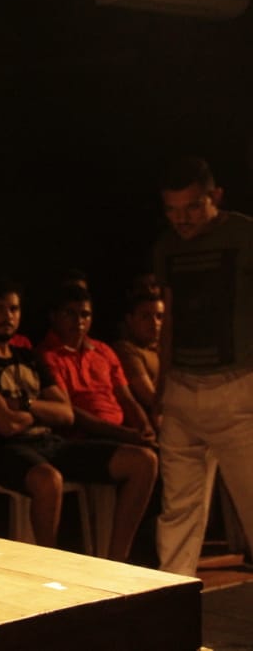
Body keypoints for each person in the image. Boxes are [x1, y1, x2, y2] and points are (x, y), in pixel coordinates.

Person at [0, 279, 157, 562]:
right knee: (49, 480)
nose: (8, 316)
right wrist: (40, 411)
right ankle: (49, 566)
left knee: (144, 461)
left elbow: (66, 413)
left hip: (51, 442)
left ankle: (117, 561)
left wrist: (26, 405)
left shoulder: (28, 357)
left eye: (14, 309)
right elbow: (5, 425)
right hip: (4, 450)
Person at [154, 156, 253, 576]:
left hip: (237, 386)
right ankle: (172, 603)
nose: (182, 218)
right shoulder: (168, 247)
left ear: (216, 196)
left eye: (193, 206)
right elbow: (170, 320)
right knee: (178, 512)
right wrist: (161, 392)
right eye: (172, 209)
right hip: (182, 388)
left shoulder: (244, 235)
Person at [38, 284, 157, 448]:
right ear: (53, 316)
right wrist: (124, 434)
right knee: (145, 458)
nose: (79, 321)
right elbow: (68, 410)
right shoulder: (47, 356)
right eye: (70, 313)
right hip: (81, 439)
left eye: (85, 314)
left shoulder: (103, 351)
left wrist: (145, 427)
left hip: (122, 434)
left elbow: (126, 399)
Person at [112, 290, 164, 421]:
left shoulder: (162, 349)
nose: (155, 322)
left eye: (159, 316)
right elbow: (150, 398)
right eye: (146, 316)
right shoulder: (126, 350)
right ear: (130, 320)